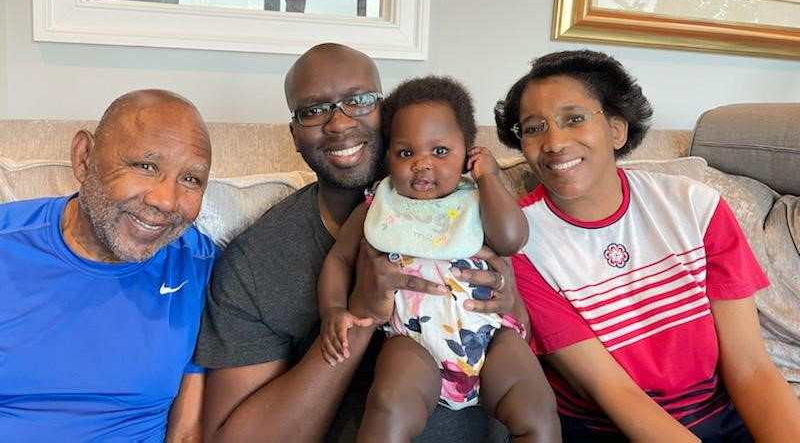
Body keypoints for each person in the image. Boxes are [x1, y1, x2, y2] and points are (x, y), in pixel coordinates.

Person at [196, 43, 524, 442]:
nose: (337, 123)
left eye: (359, 100)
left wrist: (511, 300)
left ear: (386, 113)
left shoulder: (469, 200)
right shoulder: (256, 262)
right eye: (313, 110)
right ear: (295, 135)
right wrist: (360, 315)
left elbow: (522, 334)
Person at [494, 49, 800, 442]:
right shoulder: (518, 241)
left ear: (617, 129)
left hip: (722, 418)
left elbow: (751, 367)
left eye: (574, 119)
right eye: (534, 128)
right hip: (611, 427)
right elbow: (614, 392)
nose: (554, 142)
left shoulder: (696, 206)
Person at [317, 75, 559, 441]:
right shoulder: (378, 204)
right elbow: (338, 259)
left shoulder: (477, 200)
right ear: (387, 157)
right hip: (412, 344)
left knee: (537, 407)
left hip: (491, 338)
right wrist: (333, 309)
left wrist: (489, 178)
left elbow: (511, 240)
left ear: (468, 153)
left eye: (441, 152)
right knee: (387, 404)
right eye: (405, 152)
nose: (422, 164)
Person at [0, 89, 218, 442]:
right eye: (146, 166)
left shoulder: (201, 269)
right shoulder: (7, 242)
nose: (166, 200)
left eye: (190, 179)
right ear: (84, 158)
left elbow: (187, 430)